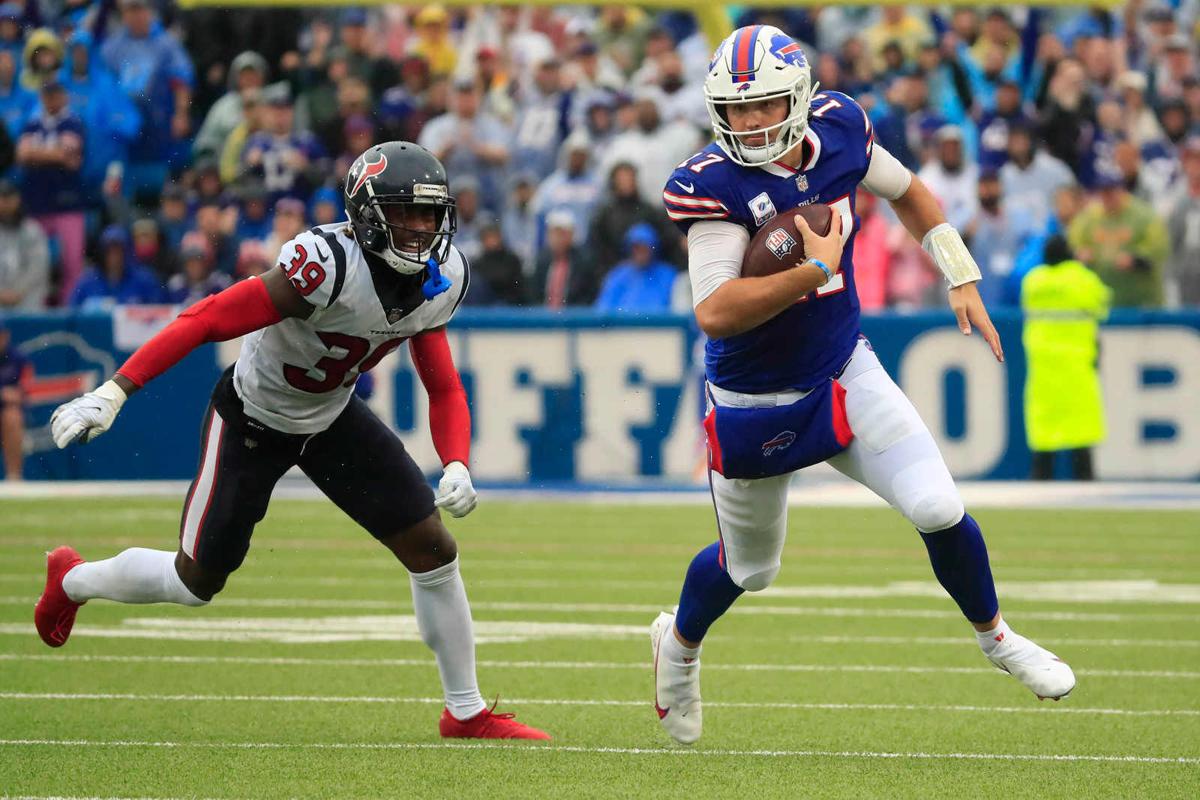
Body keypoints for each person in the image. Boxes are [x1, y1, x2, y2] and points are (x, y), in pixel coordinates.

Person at [38, 141, 549, 742]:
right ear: (366, 215)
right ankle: (72, 578)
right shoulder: (324, 264)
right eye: (406, 213)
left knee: (434, 548)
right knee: (194, 583)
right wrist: (117, 390)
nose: (421, 228)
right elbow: (207, 318)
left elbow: (441, 381)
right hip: (253, 418)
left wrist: (457, 459)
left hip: (331, 416)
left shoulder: (443, 277)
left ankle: (465, 712)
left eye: (430, 214)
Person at [652, 25, 1073, 747]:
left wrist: (960, 272)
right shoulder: (711, 184)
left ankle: (997, 637)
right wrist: (812, 272)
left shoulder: (840, 129)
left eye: (765, 106)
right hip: (757, 399)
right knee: (751, 569)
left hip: (844, 366)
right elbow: (715, 313)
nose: (750, 123)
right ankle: (679, 648)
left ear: (801, 97)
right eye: (737, 109)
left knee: (939, 506)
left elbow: (910, 193)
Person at [1021, 236, 1110, 481]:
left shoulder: (1033, 281)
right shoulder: (1082, 279)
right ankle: (1085, 482)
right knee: (1080, 432)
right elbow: (1103, 303)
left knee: (1044, 433)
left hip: (1043, 368)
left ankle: (1040, 480)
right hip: (1077, 366)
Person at [594, 222, 678, 312]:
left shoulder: (668, 275)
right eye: (637, 247)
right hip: (621, 325)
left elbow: (678, 308)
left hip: (661, 326)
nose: (640, 252)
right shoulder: (618, 275)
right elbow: (602, 309)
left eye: (645, 248)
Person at [0, 319, 30, 480]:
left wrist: (15, 394)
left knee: (12, 417)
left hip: (9, 410)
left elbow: (27, 388)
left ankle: (14, 477)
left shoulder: (18, 358)